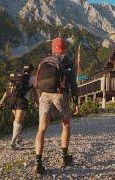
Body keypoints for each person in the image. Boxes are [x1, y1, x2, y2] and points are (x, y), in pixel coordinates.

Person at [34, 37, 79, 175]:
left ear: (52, 48)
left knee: (41, 129)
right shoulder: (66, 61)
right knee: (65, 125)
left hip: (44, 95)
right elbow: (73, 84)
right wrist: (76, 102)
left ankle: (38, 163)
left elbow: (37, 82)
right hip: (60, 95)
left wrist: (39, 98)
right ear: (64, 49)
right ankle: (65, 157)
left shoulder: (43, 61)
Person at [0, 64, 38, 150]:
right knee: (18, 121)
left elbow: (7, 91)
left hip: (12, 99)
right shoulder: (31, 78)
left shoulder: (15, 77)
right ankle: (13, 142)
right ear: (32, 70)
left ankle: (16, 138)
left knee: (17, 121)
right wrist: (37, 101)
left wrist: (1, 101)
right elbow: (34, 91)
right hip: (22, 100)